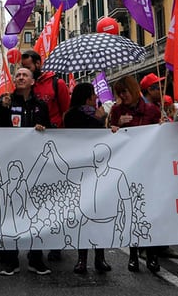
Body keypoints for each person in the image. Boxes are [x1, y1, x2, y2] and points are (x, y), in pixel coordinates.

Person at [0, 67, 52, 276]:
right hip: (12, 164)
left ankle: (36, 259)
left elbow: (49, 131)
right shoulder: (6, 101)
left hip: (33, 163)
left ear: (33, 81)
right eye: (17, 75)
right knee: (10, 212)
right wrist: (3, 108)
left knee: (35, 212)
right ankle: (11, 260)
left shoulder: (40, 105)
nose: (20, 77)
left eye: (25, 75)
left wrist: (43, 128)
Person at [109, 74, 162, 273]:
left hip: (149, 167)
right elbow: (109, 137)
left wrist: (163, 125)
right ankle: (133, 254)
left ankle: (152, 254)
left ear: (133, 90)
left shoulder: (152, 110)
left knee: (150, 212)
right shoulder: (116, 111)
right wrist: (117, 125)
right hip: (128, 168)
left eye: (125, 91)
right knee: (131, 213)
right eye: (119, 93)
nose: (123, 96)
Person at [61, 82, 113, 274]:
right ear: (86, 97)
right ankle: (83, 258)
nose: (95, 97)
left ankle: (99, 257)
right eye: (93, 94)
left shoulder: (93, 114)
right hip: (81, 168)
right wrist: (100, 118)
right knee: (83, 214)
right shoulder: (73, 115)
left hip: (97, 169)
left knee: (99, 214)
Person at [21, 50, 70, 128]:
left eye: (28, 68)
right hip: (31, 131)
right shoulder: (25, 86)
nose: (25, 71)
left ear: (37, 63)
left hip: (54, 131)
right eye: (23, 68)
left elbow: (66, 111)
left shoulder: (57, 83)